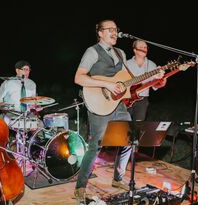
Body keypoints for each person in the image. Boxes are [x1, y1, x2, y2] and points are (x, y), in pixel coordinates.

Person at [74, 19, 133, 204]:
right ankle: (80, 186)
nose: (114, 33)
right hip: (98, 101)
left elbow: (126, 80)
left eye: (116, 29)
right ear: (100, 33)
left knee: (130, 138)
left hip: (118, 104)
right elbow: (79, 78)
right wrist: (107, 84)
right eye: (110, 30)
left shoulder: (121, 53)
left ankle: (117, 178)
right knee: (96, 146)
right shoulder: (92, 51)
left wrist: (154, 79)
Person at [126, 40, 166, 121]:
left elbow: (155, 85)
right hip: (125, 99)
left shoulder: (152, 65)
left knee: (138, 126)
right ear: (134, 50)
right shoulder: (126, 64)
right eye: (141, 47)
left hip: (142, 101)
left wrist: (162, 81)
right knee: (124, 125)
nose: (144, 49)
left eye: (145, 47)